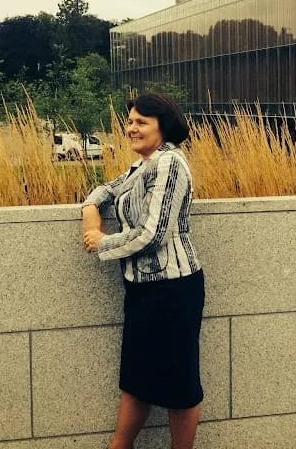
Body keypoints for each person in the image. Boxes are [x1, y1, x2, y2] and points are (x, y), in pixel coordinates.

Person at [81, 93, 204, 449]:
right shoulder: (142, 166)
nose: (131, 128)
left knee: (179, 383)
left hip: (174, 290)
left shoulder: (169, 163)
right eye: (130, 121)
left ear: (162, 126)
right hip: (141, 289)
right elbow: (104, 190)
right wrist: (90, 211)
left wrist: (100, 242)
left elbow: (153, 234)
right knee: (136, 378)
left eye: (141, 122)